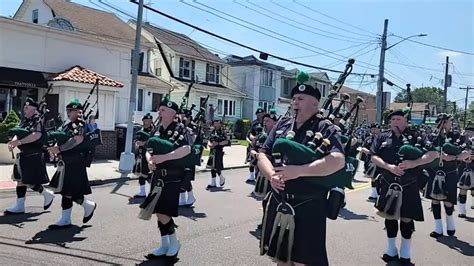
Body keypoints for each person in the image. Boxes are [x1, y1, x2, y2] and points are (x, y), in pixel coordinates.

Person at [258, 80, 345, 265]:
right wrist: (271, 175)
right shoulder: (282, 126)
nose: (295, 102)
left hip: (309, 204)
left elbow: (337, 160)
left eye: (301, 98)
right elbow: (263, 154)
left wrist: (299, 171)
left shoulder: (325, 128)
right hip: (279, 200)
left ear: (315, 103)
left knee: (303, 262)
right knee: (280, 259)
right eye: (294, 98)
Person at [371, 109, 438, 265]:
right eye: (393, 119)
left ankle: (406, 253)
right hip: (389, 182)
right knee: (389, 217)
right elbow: (373, 156)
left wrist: (413, 163)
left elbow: (433, 154)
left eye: (399, 119)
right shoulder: (382, 137)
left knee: (407, 219)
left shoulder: (417, 136)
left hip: (409, 184)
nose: (395, 122)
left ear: (406, 121)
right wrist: (388, 167)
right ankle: (391, 249)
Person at [143, 99, 192, 259]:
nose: (160, 112)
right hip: (157, 176)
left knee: (164, 212)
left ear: (172, 113)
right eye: (160, 109)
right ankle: (165, 244)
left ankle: (174, 242)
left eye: (163, 110)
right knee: (158, 212)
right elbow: (148, 148)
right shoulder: (156, 129)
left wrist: (164, 157)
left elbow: (186, 149)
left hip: (172, 177)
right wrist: (149, 160)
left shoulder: (181, 129)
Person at [47, 99, 97, 229]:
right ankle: (82, 209)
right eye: (68, 110)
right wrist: (55, 149)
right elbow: (62, 138)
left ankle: (70, 216)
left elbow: (76, 140)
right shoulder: (67, 125)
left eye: (71, 110)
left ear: (78, 111)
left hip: (76, 161)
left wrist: (59, 149)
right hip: (66, 161)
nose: (68, 113)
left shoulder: (80, 125)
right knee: (66, 190)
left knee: (68, 190)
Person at [4, 97, 55, 215]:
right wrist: (13, 141)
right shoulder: (25, 120)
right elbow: (19, 132)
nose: (24, 110)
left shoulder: (37, 119)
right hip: (24, 154)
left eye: (27, 107)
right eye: (24, 107)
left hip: (34, 154)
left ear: (34, 109)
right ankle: (20, 206)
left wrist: (19, 142)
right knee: (20, 180)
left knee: (28, 180)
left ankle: (47, 194)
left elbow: (36, 135)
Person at [425, 114, 470, 238]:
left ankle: (450, 225)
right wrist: (437, 155)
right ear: (443, 123)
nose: (451, 123)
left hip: (450, 172)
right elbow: (427, 150)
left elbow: (466, 152)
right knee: (434, 199)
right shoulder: (432, 137)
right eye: (449, 121)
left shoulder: (458, 136)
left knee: (448, 201)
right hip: (434, 171)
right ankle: (438, 228)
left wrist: (453, 157)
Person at [133, 113, 155, 198]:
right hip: (141, 155)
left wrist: (144, 143)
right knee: (141, 174)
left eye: (149, 120)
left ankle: (153, 191)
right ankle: (142, 192)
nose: (148, 122)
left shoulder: (153, 131)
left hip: (149, 155)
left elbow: (153, 143)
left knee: (149, 175)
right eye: (146, 120)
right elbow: (137, 142)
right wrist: (138, 145)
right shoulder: (140, 130)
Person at [206, 119, 230, 189]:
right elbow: (209, 139)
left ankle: (221, 177)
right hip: (212, 150)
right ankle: (213, 183)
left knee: (217, 167)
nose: (215, 124)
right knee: (212, 167)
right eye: (215, 123)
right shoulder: (213, 131)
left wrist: (218, 143)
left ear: (220, 124)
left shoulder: (223, 132)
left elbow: (227, 141)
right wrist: (210, 144)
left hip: (219, 150)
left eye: (217, 123)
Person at [360, 123, 382, 200]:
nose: (373, 131)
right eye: (372, 129)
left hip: (381, 160)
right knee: (373, 177)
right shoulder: (368, 139)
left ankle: (380, 192)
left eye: (375, 129)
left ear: (379, 129)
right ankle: (374, 193)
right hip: (370, 160)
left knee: (380, 177)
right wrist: (370, 152)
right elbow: (363, 148)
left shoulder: (383, 138)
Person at [457, 125, 474, 218]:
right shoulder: (460, 141)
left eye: (470, 132)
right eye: (466, 132)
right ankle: (462, 211)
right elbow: (456, 152)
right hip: (463, 167)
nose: (468, 134)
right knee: (463, 188)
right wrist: (463, 159)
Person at [246, 107, 266, 183]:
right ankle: (251, 177)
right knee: (252, 161)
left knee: (260, 162)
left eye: (261, 114)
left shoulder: (265, 122)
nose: (260, 115)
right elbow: (250, 133)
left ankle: (260, 177)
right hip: (254, 144)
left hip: (262, 144)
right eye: (258, 114)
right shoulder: (254, 123)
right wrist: (252, 138)